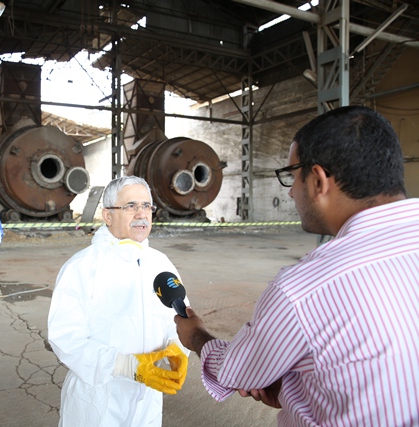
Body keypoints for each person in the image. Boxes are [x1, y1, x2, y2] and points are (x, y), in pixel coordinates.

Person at [175, 106, 419, 426]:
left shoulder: (305, 289)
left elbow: (239, 370)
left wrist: (197, 335)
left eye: (292, 176)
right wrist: (296, 387)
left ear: (318, 180)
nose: (290, 191)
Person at [48, 175, 190, 427]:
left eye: (147, 206)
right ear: (108, 215)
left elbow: (178, 315)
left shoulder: (161, 263)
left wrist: (178, 347)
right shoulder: (83, 267)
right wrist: (125, 365)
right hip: (99, 401)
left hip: (148, 398)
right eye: (131, 206)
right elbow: (65, 337)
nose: (141, 214)